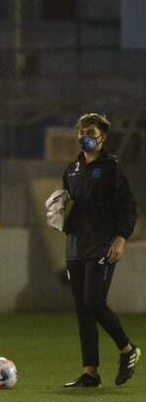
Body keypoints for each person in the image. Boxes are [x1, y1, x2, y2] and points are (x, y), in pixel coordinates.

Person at [61, 113, 139, 387]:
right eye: (81, 131)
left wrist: (121, 239)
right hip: (75, 246)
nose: (84, 136)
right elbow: (67, 208)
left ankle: (128, 349)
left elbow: (128, 206)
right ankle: (90, 372)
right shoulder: (72, 170)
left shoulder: (111, 167)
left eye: (90, 131)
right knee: (83, 309)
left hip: (103, 245)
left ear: (103, 137)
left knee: (94, 302)